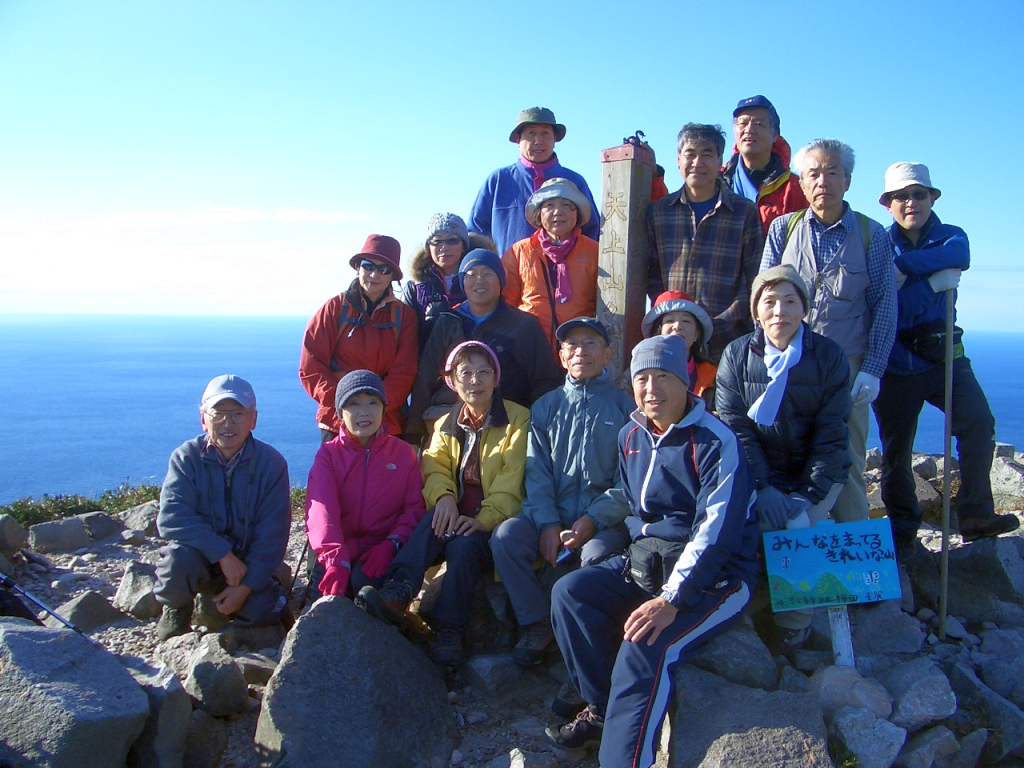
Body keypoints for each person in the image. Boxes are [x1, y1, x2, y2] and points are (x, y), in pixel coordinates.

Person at [546, 335, 759, 768]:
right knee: (571, 594)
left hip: (716, 578)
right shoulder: (631, 435)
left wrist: (670, 601)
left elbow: (714, 534)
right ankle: (604, 710)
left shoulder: (717, 442)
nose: (651, 388)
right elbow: (633, 509)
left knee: (644, 648)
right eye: (642, 377)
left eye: (663, 376)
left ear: (688, 382)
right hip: (650, 563)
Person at [873, 163, 1019, 555]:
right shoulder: (879, 245)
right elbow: (890, 309)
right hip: (897, 366)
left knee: (977, 423)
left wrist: (903, 270)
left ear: (932, 198)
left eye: (918, 194)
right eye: (901, 196)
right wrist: (934, 281)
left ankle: (975, 514)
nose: (911, 203)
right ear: (888, 204)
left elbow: (961, 254)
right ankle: (904, 531)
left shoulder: (950, 236)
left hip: (944, 361)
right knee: (896, 452)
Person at [357, 341, 530, 665]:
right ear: (453, 380)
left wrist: (484, 518)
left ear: (496, 377)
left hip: (493, 522)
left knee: (464, 547)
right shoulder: (446, 424)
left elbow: (514, 476)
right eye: (466, 373)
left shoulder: (517, 419)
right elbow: (434, 466)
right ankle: (398, 592)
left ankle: (449, 631)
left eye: (483, 372)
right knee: (434, 518)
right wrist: (446, 499)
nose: (475, 381)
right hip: (455, 516)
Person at [715, 265, 852, 651]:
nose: (780, 312)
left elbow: (832, 433)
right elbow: (737, 430)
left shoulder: (828, 356)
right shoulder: (737, 355)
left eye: (790, 301)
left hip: (817, 477)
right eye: (770, 302)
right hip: (761, 474)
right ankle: (744, 609)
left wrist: (806, 496)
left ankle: (795, 625)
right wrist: (764, 487)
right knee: (747, 530)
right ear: (756, 311)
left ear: (804, 309)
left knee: (799, 529)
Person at [760, 139, 897, 523]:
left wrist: (873, 368)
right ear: (801, 183)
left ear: (848, 181)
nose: (823, 181)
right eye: (813, 173)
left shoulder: (872, 234)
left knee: (849, 456)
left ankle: (856, 551)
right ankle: (794, 548)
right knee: (789, 453)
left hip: (848, 361)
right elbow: (763, 296)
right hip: (790, 360)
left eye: (832, 172)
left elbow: (885, 304)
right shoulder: (782, 230)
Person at [490, 318, 633, 668]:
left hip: (603, 523)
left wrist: (593, 520)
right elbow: (535, 472)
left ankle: (593, 648)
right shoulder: (545, 407)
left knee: (595, 558)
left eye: (590, 343)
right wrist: (548, 523)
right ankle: (536, 623)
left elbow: (629, 482)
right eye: (571, 345)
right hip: (552, 516)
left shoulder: (627, 407)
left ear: (608, 354)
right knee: (506, 537)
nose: (580, 352)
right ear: (561, 356)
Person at [154, 375, 290, 641]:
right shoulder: (186, 457)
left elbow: (272, 537)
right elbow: (172, 518)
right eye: (218, 414)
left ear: (253, 419)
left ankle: (230, 621)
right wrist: (223, 555)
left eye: (238, 414)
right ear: (203, 418)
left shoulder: (271, 464)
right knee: (176, 561)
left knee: (263, 610)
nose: (228, 423)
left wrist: (246, 586)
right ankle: (176, 612)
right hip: (202, 558)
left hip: (247, 566)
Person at [406, 248, 563, 440]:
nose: (479, 280)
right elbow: (425, 378)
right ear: (463, 282)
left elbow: (545, 380)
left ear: (500, 281)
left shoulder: (524, 325)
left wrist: (535, 430)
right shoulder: (448, 322)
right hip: (449, 423)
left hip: (506, 426)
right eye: (471, 275)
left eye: (487, 274)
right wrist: (413, 435)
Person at [304, 370, 427, 601]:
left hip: (380, 549)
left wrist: (392, 543)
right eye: (354, 404)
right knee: (321, 607)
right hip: (338, 547)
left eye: (373, 402)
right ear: (341, 413)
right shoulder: (329, 455)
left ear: (384, 408)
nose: (364, 412)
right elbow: (322, 511)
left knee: (366, 591)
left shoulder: (402, 454)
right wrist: (335, 558)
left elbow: (414, 508)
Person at [646, 123, 764, 363]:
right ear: (678, 160)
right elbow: (651, 275)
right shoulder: (659, 213)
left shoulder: (744, 212)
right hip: (673, 343)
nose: (697, 163)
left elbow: (755, 277)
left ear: (720, 160)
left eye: (707, 154)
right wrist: (672, 318)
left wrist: (720, 321)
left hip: (727, 342)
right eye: (690, 154)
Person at [299, 234, 418, 441]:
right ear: (358, 268)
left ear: (392, 276)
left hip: (386, 422)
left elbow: (404, 373)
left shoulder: (404, 317)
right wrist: (346, 405)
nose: (374, 274)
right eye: (368, 266)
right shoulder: (333, 309)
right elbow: (311, 367)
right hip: (337, 421)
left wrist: (372, 409)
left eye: (384, 270)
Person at [469, 107, 600, 257]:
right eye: (531, 134)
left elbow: (593, 232)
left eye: (545, 133)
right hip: (509, 277)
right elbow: (476, 234)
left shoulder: (575, 181)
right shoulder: (498, 180)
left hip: (567, 278)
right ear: (518, 140)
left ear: (554, 139)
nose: (538, 141)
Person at [501, 178, 599, 350]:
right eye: (549, 205)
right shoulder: (518, 252)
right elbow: (505, 304)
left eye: (567, 205)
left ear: (578, 214)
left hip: (579, 350)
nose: (558, 212)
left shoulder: (596, 252)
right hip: (528, 346)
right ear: (539, 213)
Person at [401, 213, 494, 354]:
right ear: (428, 248)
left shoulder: (484, 281)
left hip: (475, 367)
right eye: (437, 241)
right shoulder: (415, 288)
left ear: (463, 245)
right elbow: (406, 338)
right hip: (429, 368)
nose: (444, 247)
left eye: (452, 240)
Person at [720, 95, 807, 234]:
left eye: (758, 124)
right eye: (742, 123)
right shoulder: (717, 182)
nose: (749, 129)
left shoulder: (794, 188)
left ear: (774, 135)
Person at [641, 290, 717, 407]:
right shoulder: (638, 374)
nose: (677, 326)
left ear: (696, 334)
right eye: (669, 320)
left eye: (686, 321)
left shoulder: (715, 376)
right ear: (658, 332)